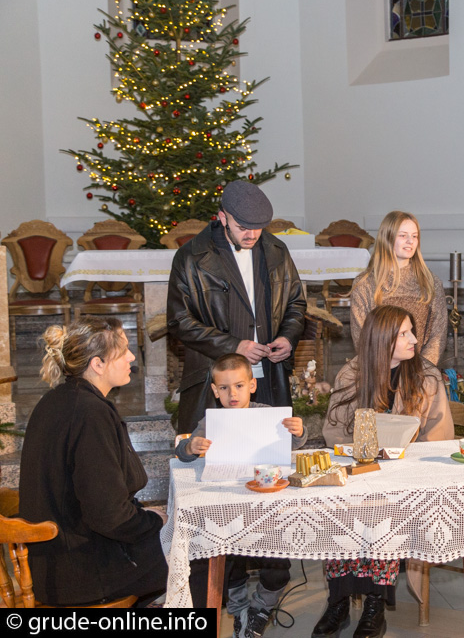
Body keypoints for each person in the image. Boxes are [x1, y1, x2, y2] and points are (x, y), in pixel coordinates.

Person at [314, 304, 454, 638]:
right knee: (340, 512)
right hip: (359, 471)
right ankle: (339, 601)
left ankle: (376, 604)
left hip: (406, 478)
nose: (415, 340)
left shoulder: (427, 377)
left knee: (383, 513)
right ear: (382, 340)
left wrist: (403, 458)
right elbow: (333, 432)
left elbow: (440, 437)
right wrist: (364, 453)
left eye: (412, 331)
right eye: (404, 333)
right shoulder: (352, 374)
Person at [19, 317, 168, 607]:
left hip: (60, 560)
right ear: (97, 364)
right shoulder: (90, 413)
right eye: (123, 350)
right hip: (81, 570)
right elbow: (109, 517)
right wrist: (154, 520)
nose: (132, 357)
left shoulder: (58, 399)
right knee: (202, 550)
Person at [180, 353, 306, 638]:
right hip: (229, 510)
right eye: (223, 388)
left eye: (238, 386)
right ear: (215, 390)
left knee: (277, 564)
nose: (231, 393)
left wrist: (299, 431)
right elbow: (183, 453)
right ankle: (239, 610)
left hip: (267, 508)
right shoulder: (211, 422)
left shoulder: (269, 415)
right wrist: (191, 446)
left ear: (251, 385)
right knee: (231, 562)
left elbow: (294, 441)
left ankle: (261, 609)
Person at [167, 180, 307, 434]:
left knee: (270, 452)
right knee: (215, 455)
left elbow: (295, 303)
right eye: (242, 228)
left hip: (268, 372)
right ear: (223, 218)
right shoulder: (191, 257)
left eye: (258, 228)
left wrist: (288, 337)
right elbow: (179, 321)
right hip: (217, 379)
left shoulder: (277, 250)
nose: (251, 235)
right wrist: (234, 346)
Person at [350, 211, 447, 364]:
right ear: (387, 238)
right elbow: (362, 337)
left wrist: (423, 370)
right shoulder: (365, 284)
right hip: (380, 372)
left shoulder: (430, 282)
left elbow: (438, 334)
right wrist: (387, 371)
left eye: (414, 236)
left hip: (421, 372)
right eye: (403, 236)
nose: (410, 241)